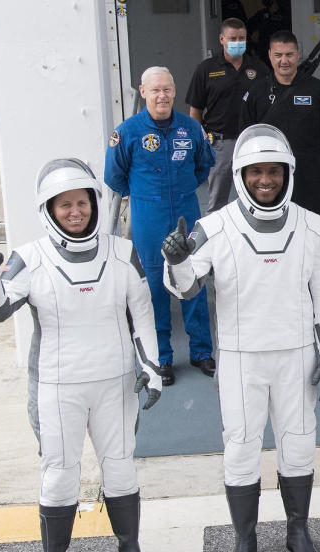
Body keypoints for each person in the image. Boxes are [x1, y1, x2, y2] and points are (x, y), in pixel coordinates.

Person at [0, 158, 165, 552]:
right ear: (49, 210)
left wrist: (151, 367)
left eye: (82, 202)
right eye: (64, 205)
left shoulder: (122, 251)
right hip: (59, 385)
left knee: (120, 466)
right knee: (59, 475)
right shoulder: (29, 258)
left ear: (95, 204)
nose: (75, 212)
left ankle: (130, 550)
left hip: (114, 381)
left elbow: (143, 313)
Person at [161, 124, 320, 552]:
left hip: (297, 357)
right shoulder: (213, 227)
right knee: (240, 450)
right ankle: (245, 540)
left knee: (298, 448)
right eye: (256, 171)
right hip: (241, 359)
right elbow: (185, 288)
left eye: (274, 171)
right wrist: (178, 261)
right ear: (240, 174)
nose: (266, 180)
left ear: (288, 173)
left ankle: (298, 531)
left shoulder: (311, 226)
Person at [105, 66, 216, 385]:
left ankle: (201, 352)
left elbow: (203, 167)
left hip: (185, 212)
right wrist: (145, 196)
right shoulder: (127, 132)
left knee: (192, 280)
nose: (162, 95)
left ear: (174, 91)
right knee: (153, 288)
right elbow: (114, 176)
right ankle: (161, 358)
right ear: (143, 92)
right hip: (148, 217)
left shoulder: (190, 128)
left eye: (167, 89)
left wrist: (179, 192)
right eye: (155, 90)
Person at [239, 30, 320, 216]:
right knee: (270, 218)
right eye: (278, 55)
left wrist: (310, 152)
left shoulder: (318, 89)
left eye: (289, 55)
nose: (284, 61)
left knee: (308, 218)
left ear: (298, 54)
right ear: (269, 55)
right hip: (268, 172)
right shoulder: (256, 92)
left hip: (307, 170)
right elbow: (246, 131)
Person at [186, 18, 269, 212]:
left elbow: (268, 106)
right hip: (219, 144)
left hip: (251, 142)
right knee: (217, 202)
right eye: (233, 38)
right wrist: (200, 142)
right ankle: (215, 241)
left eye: (242, 38)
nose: (237, 43)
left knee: (256, 197)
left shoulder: (259, 68)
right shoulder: (206, 69)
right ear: (222, 39)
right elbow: (195, 110)